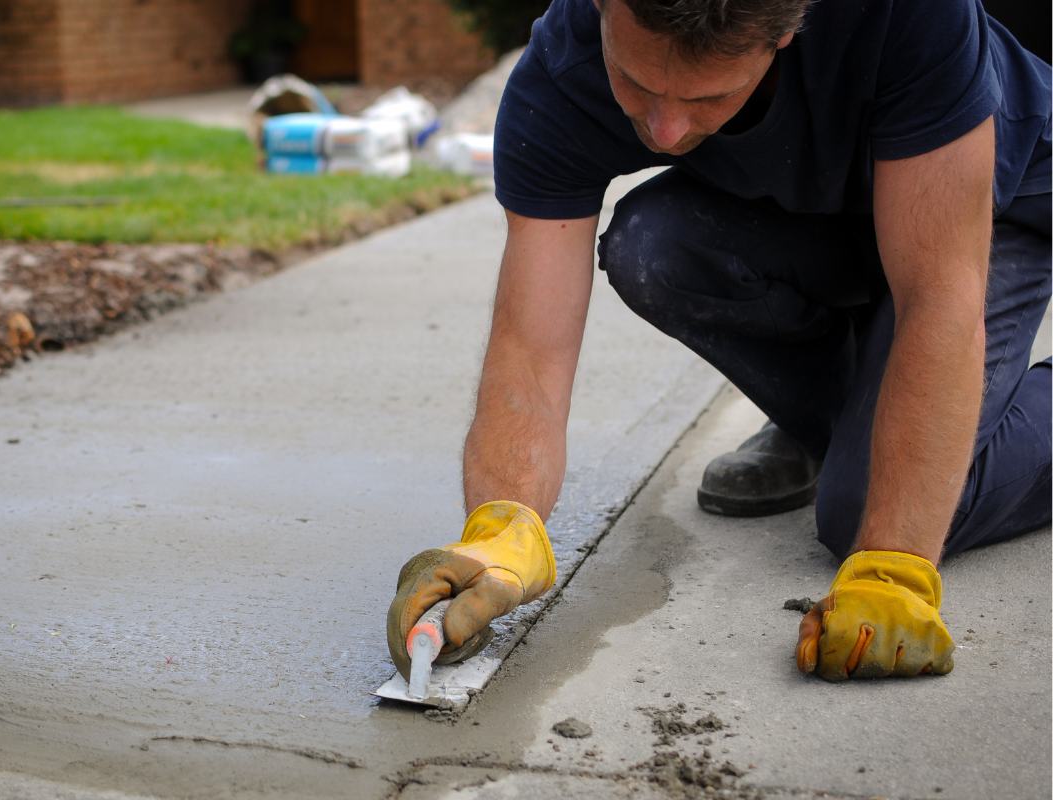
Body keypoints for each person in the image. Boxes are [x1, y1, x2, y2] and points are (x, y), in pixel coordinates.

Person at [387, 0, 1051, 682]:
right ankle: (844, 417)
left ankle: (852, 430)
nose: (666, 130)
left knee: (865, 510)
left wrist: (896, 568)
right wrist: (502, 531)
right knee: (655, 249)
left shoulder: (909, 16)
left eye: (709, 96)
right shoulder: (561, 73)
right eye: (636, 84)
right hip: (834, 216)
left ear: (790, 31)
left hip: (996, 206)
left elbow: (940, 298)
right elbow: (531, 345)